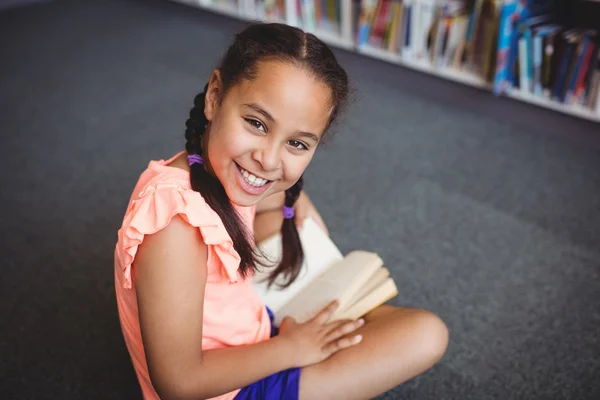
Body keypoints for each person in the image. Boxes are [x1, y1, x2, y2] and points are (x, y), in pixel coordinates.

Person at [114, 22, 448, 400]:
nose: (268, 160)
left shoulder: (205, 171)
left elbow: (274, 193)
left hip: (252, 333)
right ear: (214, 95)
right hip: (226, 386)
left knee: (353, 294)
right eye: (256, 123)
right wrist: (292, 349)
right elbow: (180, 383)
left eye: (297, 143)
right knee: (426, 334)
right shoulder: (175, 226)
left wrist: (295, 198)